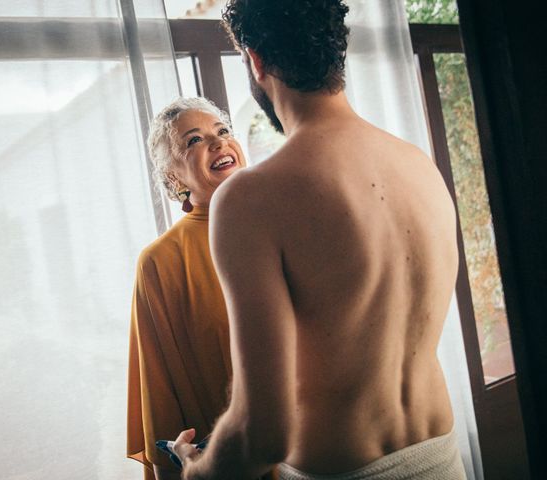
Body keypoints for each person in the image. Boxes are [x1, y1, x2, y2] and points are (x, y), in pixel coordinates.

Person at [171, 1, 467, 479]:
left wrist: (196, 470)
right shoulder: (418, 163)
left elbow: (262, 434)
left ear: (256, 60)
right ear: (337, 54)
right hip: (442, 458)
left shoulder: (250, 199)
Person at [126, 97, 248, 480]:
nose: (218, 144)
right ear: (173, 177)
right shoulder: (160, 262)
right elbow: (160, 393)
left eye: (223, 131)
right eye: (194, 141)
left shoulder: (285, 219)